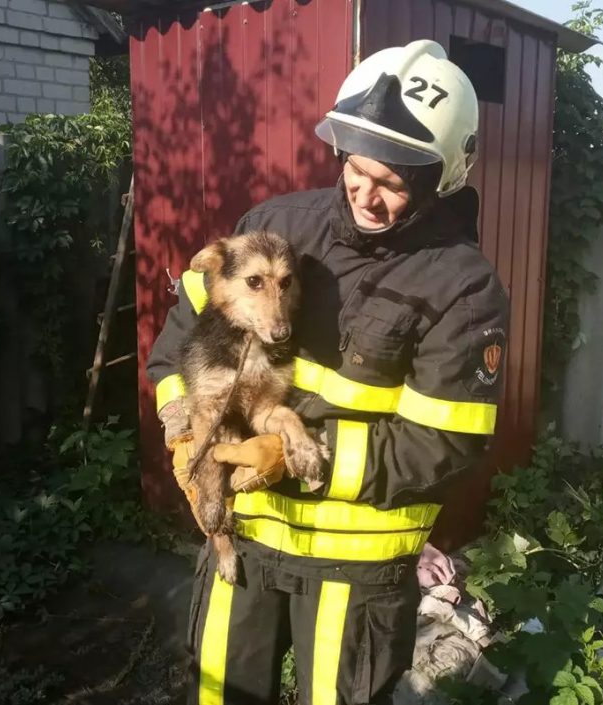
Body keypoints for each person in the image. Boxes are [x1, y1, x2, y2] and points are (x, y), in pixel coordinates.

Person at [146, 39, 509, 705]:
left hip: (357, 563)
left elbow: (446, 442)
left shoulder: (463, 285)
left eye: (394, 183)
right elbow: (178, 344)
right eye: (357, 169)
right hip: (247, 542)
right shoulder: (275, 228)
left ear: (442, 176)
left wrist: (291, 453)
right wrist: (178, 427)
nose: (367, 195)